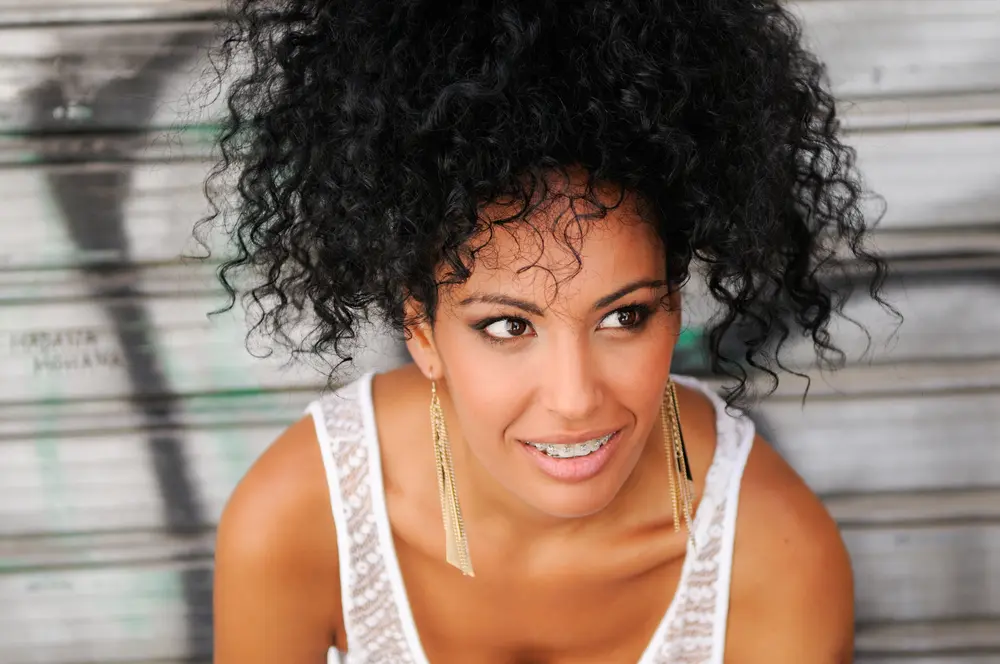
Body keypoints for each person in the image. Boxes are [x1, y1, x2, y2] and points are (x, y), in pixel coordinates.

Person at [206, 1, 889, 662]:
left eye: (624, 317)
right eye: (508, 325)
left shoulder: (773, 550)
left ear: (674, 307)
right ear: (420, 328)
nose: (574, 398)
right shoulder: (303, 518)